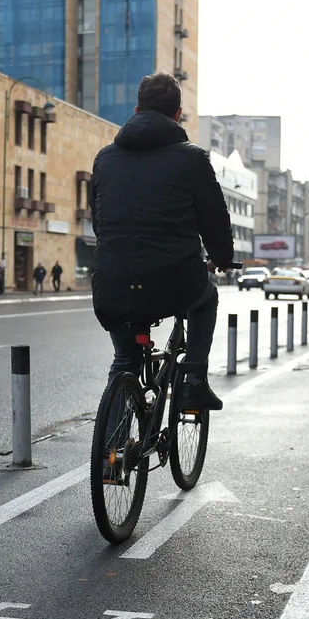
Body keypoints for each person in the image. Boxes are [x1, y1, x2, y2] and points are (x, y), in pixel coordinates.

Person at [90, 72, 234, 411]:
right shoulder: (193, 158)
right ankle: (193, 380)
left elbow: (99, 224)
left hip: (111, 282)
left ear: (137, 109)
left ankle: (111, 457)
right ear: (178, 114)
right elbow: (214, 220)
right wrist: (222, 258)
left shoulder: (105, 158)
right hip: (173, 282)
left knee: (124, 361)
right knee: (206, 298)